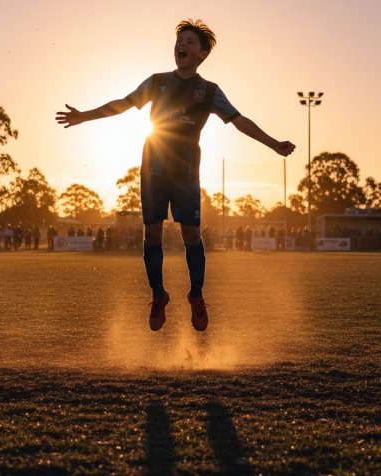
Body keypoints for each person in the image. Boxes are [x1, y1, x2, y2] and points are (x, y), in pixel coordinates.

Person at [56, 19, 295, 331]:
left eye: (190, 42)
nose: (181, 45)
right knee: (152, 235)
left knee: (191, 235)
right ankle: (159, 295)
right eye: (179, 41)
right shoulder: (157, 82)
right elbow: (123, 104)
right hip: (152, 169)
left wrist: (274, 144)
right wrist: (83, 116)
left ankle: (196, 295)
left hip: (185, 173)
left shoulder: (209, 91)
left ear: (202, 54)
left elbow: (239, 121)